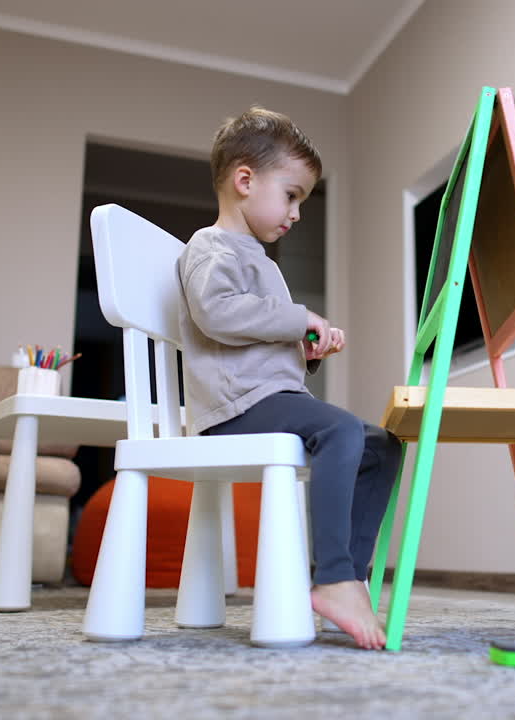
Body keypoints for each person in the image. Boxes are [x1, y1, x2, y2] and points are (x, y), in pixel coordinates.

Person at [176, 106, 401, 650]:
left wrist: (306, 344)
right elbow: (217, 313)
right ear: (245, 180)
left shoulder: (260, 259)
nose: (296, 212)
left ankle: (349, 578)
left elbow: (257, 335)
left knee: (383, 445)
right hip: (234, 410)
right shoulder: (211, 247)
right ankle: (332, 576)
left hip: (265, 398)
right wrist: (299, 317)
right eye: (292, 194)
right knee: (342, 430)